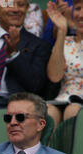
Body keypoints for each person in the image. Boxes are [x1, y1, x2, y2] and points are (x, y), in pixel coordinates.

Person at [46, 0, 83, 129]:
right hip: (63, 100)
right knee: (48, 113)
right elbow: (55, 76)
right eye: (78, 9)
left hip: (78, 104)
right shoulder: (66, 42)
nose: (81, 15)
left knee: (73, 111)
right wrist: (62, 31)